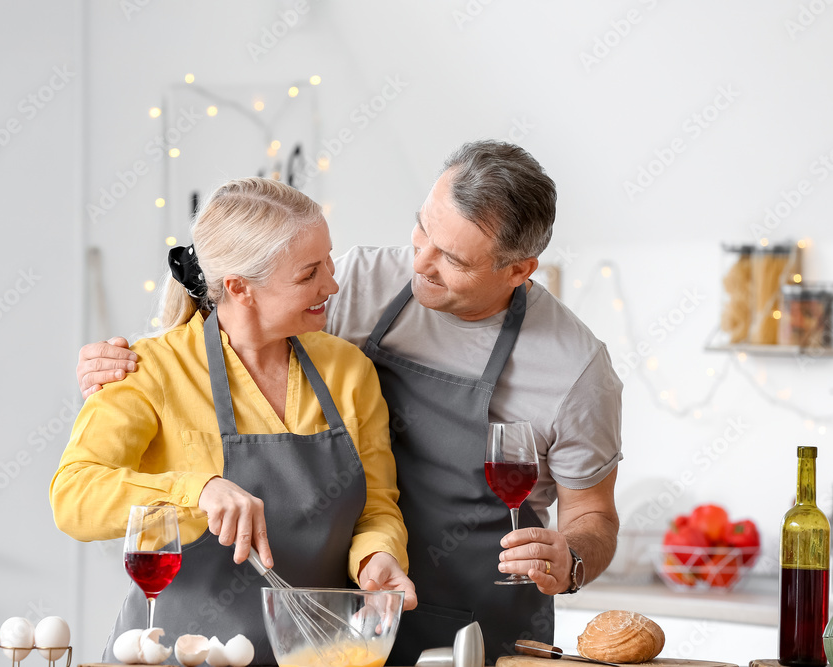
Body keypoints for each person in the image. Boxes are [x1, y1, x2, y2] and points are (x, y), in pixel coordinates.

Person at [76, 141, 623, 663]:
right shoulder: (362, 281)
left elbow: (593, 515)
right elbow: (241, 323)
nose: (420, 263)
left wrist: (570, 560)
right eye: (422, 229)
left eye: (452, 258)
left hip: (475, 630)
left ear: (519, 270)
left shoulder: (575, 369)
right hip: (350, 622)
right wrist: (123, 364)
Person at [52, 177, 416, 664]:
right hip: (171, 655)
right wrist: (196, 490)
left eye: (329, 261)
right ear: (240, 288)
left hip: (311, 654)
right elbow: (73, 497)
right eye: (309, 273)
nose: (331, 283)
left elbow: (375, 507)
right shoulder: (149, 370)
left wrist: (378, 557)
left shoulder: (348, 370)